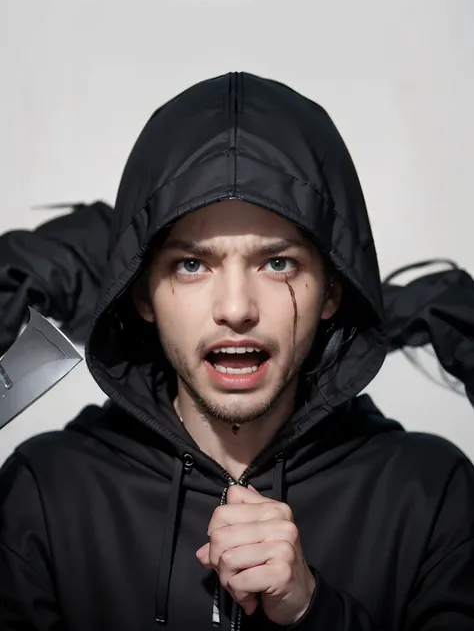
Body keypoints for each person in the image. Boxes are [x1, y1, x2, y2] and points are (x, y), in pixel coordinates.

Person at [0, 72, 473, 631]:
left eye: (278, 263)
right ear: (142, 291)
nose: (236, 308)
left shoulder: (430, 492)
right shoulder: (46, 492)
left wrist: (311, 611)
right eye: (191, 264)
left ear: (332, 290)